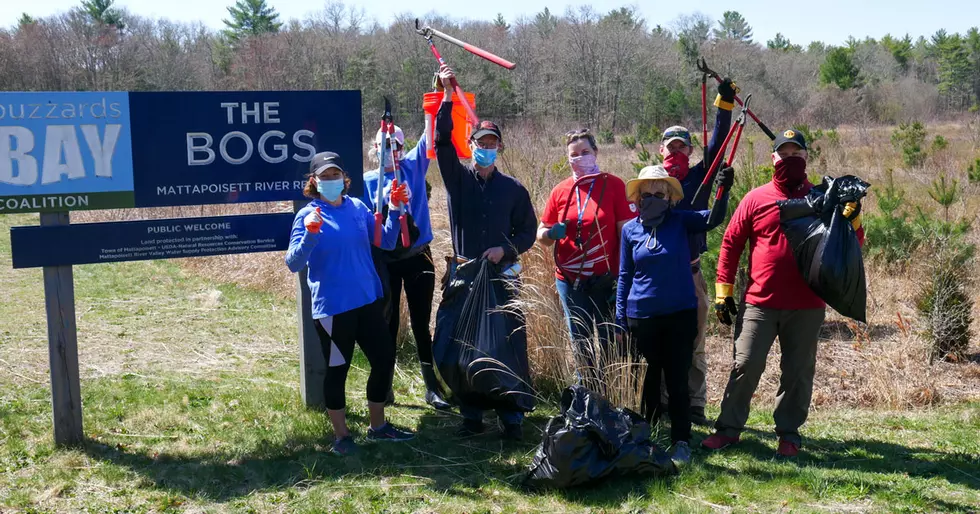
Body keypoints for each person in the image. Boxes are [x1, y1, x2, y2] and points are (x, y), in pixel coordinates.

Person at [702, 130, 865, 458]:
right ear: (773, 158)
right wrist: (724, 291)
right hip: (759, 302)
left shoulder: (822, 199)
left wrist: (852, 216)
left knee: (798, 372)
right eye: (783, 153)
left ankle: (789, 434)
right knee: (745, 364)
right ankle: (729, 430)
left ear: (806, 158)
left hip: (806, 305)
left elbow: (851, 246)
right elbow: (731, 244)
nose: (790, 158)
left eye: (797, 153)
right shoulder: (755, 198)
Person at [285, 151, 416, 456]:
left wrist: (395, 210)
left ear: (344, 179)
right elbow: (293, 263)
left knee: (384, 359)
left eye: (336, 175)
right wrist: (310, 236)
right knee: (338, 370)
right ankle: (342, 436)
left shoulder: (357, 207)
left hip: (367, 300)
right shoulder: (307, 215)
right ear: (314, 181)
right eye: (325, 176)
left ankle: (378, 426)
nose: (332, 181)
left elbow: (384, 240)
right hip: (333, 307)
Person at [434, 64, 538, 441]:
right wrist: (447, 96)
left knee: (506, 344)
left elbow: (528, 232)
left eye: (493, 143)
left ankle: (512, 417)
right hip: (464, 276)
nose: (486, 148)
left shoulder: (514, 190)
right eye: (481, 143)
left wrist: (505, 250)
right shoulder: (458, 181)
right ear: (472, 145)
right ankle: (472, 413)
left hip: (502, 277)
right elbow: (442, 142)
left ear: (500, 148)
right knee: (462, 344)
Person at [617, 164, 732, 466]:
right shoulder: (630, 230)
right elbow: (625, 275)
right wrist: (619, 316)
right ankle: (649, 438)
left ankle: (681, 439)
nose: (653, 197)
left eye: (660, 192)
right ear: (638, 197)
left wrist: (723, 189)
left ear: (669, 196)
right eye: (647, 193)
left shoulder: (681, 221)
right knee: (649, 379)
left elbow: (715, 218)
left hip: (680, 314)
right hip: (641, 315)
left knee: (678, 378)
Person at [656, 78, 737, 427]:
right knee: (658, 343)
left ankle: (694, 405)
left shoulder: (701, 178)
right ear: (660, 150)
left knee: (695, 344)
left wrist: (724, 104)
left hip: (690, 273)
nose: (675, 152)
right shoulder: (650, 181)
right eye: (670, 147)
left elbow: (719, 144)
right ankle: (658, 404)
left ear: (690, 151)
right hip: (657, 276)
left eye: (682, 147)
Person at [361, 122, 450, 411]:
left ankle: (431, 387)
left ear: (402, 147)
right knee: (387, 323)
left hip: (418, 257)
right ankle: (384, 387)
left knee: (421, 323)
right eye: (384, 146)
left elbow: (429, 132)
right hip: (385, 261)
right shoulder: (367, 182)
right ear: (374, 149)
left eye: (395, 145)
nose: (390, 151)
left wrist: (439, 96)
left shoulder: (412, 167)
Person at [537, 128, 634, 388]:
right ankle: (587, 393)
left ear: (596, 152)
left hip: (606, 280)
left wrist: (624, 281)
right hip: (570, 280)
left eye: (585, 152)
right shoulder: (561, 191)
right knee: (579, 338)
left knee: (608, 339)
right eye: (574, 155)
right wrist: (549, 233)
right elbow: (541, 235)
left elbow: (627, 235)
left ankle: (611, 393)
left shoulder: (614, 185)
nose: (580, 158)